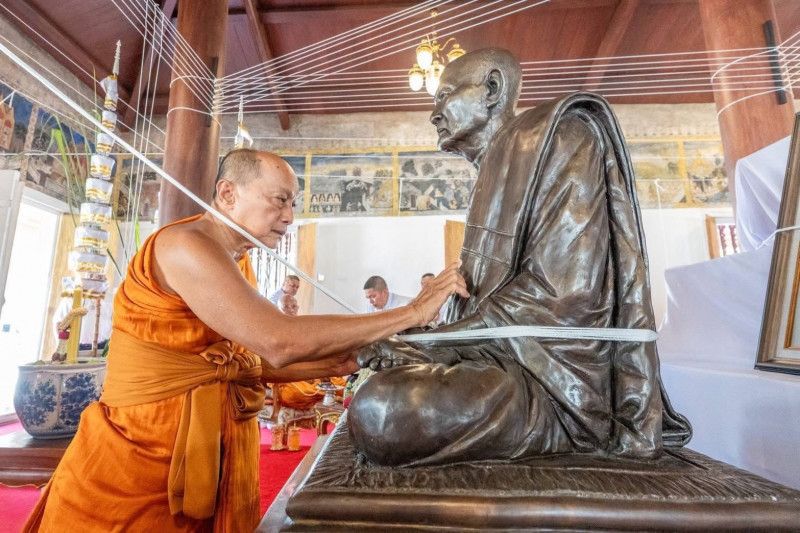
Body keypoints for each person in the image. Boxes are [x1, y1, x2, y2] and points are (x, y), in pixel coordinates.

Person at [24, 149, 467, 532]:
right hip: (138, 456)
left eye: (293, 203)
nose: (290, 216)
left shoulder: (237, 261)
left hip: (210, 447)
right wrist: (412, 312)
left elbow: (246, 363)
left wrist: (349, 359)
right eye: (280, 200)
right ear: (227, 194)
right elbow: (277, 341)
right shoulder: (184, 245)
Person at [348, 49, 691, 467]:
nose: (434, 115)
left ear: (492, 89)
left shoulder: (561, 137)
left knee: (385, 410)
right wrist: (431, 340)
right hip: (496, 357)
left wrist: (440, 343)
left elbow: (566, 295)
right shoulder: (493, 170)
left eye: (444, 96)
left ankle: (568, 432)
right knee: (379, 390)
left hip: (554, 381)